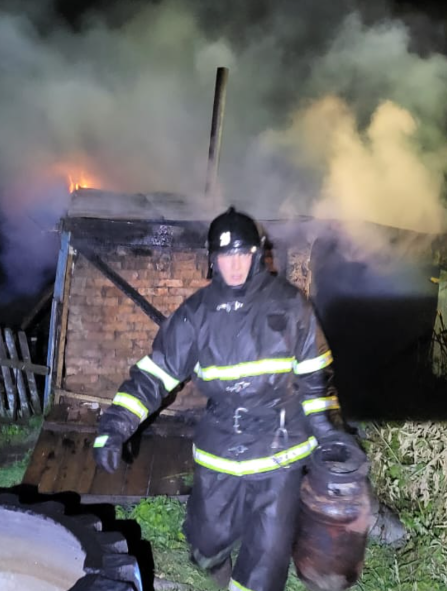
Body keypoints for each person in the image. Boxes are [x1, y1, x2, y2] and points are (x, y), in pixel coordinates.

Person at [92, 206, 357, 591]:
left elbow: (316, 380)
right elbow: (155, 374)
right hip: (220, 445)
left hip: (280, 448)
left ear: (257, 255)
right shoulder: (197, 313)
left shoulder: (291, 305)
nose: (234, 265)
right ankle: (216, 566)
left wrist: (327, 430)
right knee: (206, 542)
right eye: (225, 256)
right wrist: (116, 425)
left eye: (242, 254)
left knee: (266, 555)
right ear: (212, 260)